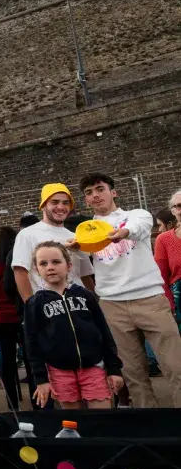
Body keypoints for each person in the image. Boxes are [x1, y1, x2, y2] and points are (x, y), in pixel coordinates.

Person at [74, 173, 181, 407]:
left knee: (176, 366)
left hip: (149, 298)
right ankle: (149, 428)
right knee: (134, 376)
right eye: (89, 193)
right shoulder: (85, 230)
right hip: (112, 305)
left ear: (113, 192)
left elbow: (141, 225)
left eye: (100, 189)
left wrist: (122, 232)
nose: (95, 195)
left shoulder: (134, 215)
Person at [25, 242, 124, 409]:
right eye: (43, 263)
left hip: (93, 366)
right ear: (36, 269)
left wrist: (114, 368)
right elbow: (31, 342)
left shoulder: (86, 295)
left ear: (68, 265)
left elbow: (104, 331)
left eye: (56, 262)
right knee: (72, 422)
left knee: (102, 419)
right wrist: (40, 379)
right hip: (59, 371)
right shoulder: (34, 303)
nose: (50, 267)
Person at [11, 183, 95, 302]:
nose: (61, 207)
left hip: (79, 306)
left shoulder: (75, 236)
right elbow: (20, 272)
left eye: (65, 203)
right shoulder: (27, 234)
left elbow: (84, 275)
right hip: (48, 306)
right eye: (54, 202)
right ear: (43, 206)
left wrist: (94, 302)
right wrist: (31, 307)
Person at [0, 226, 32, 410]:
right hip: (25, 314)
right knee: (31, 358)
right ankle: (37, 401)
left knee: (8, 359)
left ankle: (12, 403)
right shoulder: (24, 260)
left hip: (3, 316)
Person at [155, 190, 181, 324]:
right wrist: (170, 307)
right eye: (179, 206)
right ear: (173, 211)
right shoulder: (163, 240)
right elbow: (162, 277)